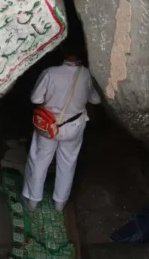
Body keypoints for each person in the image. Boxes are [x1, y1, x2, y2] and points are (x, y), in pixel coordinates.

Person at [22, 52, 101, 212]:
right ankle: (59, 203)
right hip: (74, 127)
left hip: (49, 125)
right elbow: (96, 99)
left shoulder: (50, 73)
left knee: (39, 160)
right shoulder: (86, 74)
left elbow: (35, 99)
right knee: (67, 163)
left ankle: (32, 201)